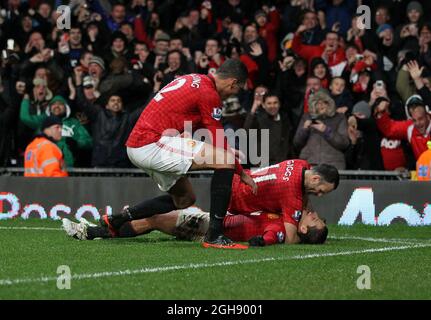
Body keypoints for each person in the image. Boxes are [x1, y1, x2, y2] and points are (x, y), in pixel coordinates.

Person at [102, 59, 257, 250]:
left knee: (184, 199)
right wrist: (241, 173)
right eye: (237, 89)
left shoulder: (195, 80)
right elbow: (218, 140)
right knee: (225, 161)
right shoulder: (209, 93)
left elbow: (202, 128)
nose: (233, 94)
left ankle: (117, 220)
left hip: (140, 145)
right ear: (233, 82)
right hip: (151, 143)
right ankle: (215, 236)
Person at [62, 207, 328, 246]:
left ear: (303, 230)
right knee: (157, 216)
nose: (312, 213)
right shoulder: (285, 215)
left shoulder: (282, 228)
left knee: (155, 217)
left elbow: (271, 236)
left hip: (207, 226)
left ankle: (96, 232)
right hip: (210, 218)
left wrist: (263, 242)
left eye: (314, 219)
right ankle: (101, 229)